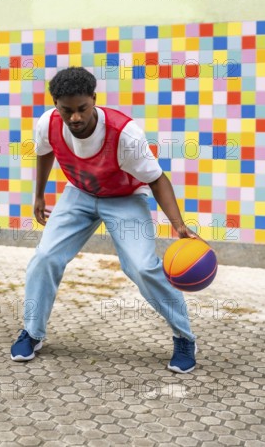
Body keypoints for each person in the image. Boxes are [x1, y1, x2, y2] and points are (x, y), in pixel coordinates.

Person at [11, 66, 199, 373]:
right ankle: (32, 332)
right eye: (66, 110)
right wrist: (39, 195)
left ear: (94, 100)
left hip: (124, 198)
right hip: (79, 194)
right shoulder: (47, 123)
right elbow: (45, 152)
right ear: (56, 106)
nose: (75, 117)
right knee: (44, 257)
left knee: (141, 266)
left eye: (82, 108)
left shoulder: (125, 134)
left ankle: (184, 337)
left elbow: (157, 179)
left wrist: (178, 225)